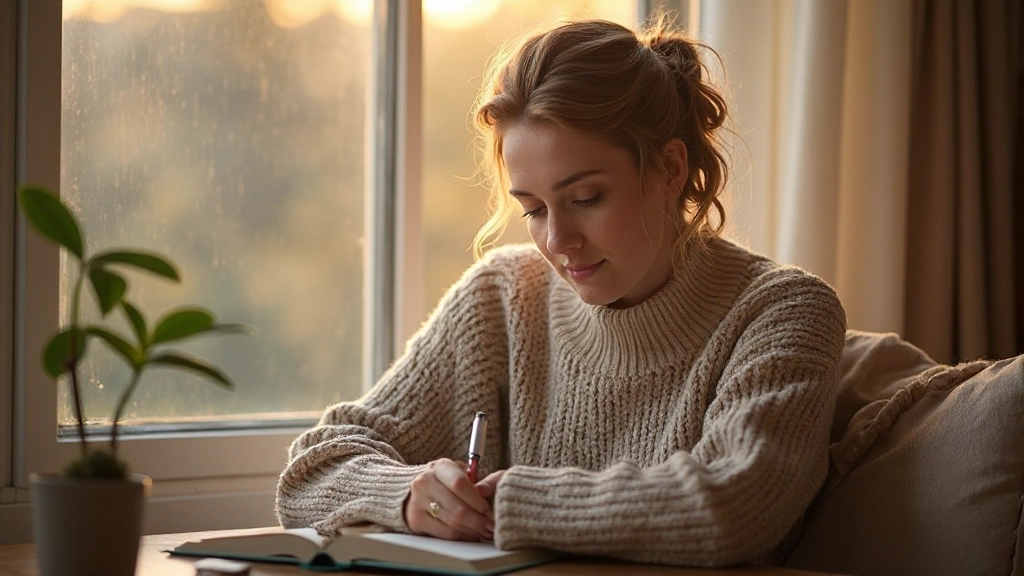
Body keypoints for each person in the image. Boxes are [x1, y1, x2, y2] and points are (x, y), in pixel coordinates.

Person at [276, 15, 847, 568]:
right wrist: (408, 494)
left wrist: (512, 506)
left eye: (586, 198)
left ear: (672, 169)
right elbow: (311, 472)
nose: (559, 240)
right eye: (532, 209)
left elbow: (737, 505)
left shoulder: (783, 312)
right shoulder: (501, 299)